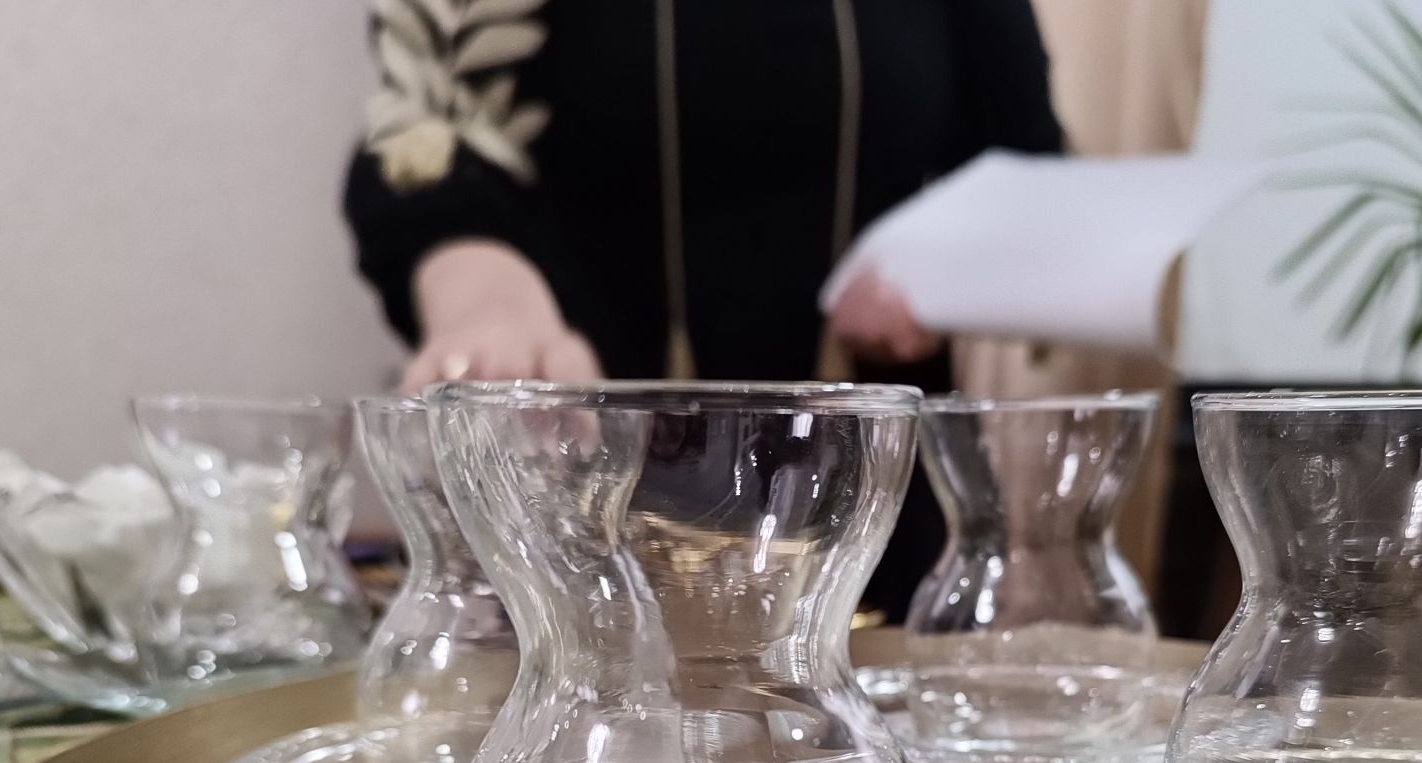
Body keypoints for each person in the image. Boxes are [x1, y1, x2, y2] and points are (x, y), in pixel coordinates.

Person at [342, 0, 1065, 617]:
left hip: (866, 527)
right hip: (575, 505)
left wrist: (940, 275)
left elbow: (1028, 177)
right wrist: (481, 288)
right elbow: (417, 147)